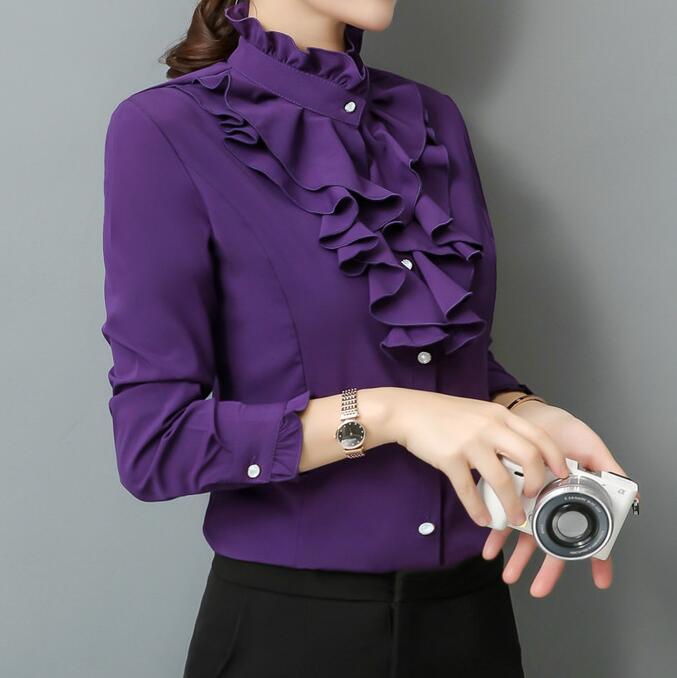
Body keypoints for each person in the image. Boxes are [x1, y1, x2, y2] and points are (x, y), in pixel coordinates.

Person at [100, 1, 634, 676]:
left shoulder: (431, 119)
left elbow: (440, 354)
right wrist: (386, 415)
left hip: (471, 621)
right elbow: (155, 445)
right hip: (292, 636)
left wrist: (520, 411)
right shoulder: (165, 129)